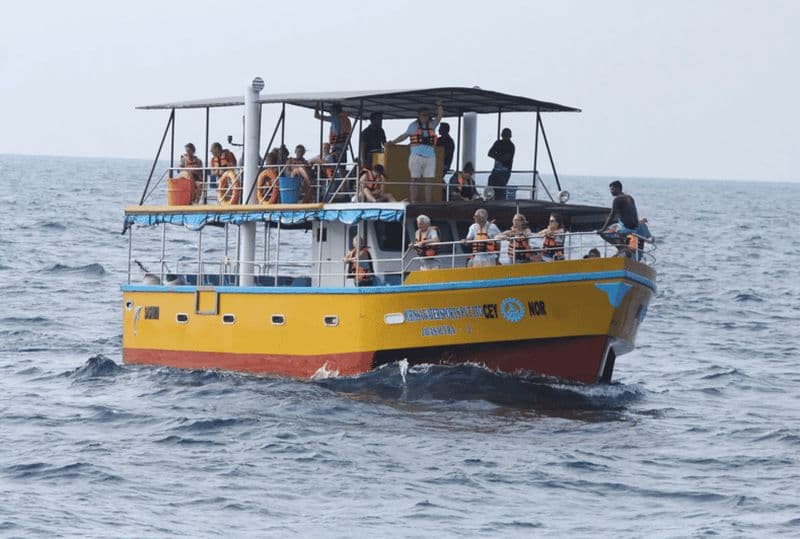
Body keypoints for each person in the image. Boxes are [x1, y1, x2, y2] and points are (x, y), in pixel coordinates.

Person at [387, 102, 444, 203]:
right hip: (416, 156)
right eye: (423, 115)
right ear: (419, 115)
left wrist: (439, 105)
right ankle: (413, 202)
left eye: (427, 115)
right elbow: (404, 136)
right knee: (414, 180)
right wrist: (393, 142)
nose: (425, 117)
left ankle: (428, 203)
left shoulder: (432, 124)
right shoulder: (413, 126)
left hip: (430, 157)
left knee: (429, 181)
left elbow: (439, 116)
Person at [598, 180, 639, 256]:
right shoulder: (629, 197)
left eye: (612, 189)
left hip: (626, 228)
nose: (611, 191)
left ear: (618, 188)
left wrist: (603, 228)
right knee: (616, 227)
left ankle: (622, 249)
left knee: (604, 233)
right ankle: (624, 248)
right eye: (610, 189)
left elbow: (611, 215)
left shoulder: (617, 199)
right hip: (635, 228)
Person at [487, 128, 515, 200]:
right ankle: (489, 200)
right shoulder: (498, 143)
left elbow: (506, 158)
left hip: (505, 172)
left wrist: (497, 156)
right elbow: (489, 153)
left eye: (506, 136)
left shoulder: (511, 146)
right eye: (504, 136)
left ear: (509, 136)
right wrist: (500, 157)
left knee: (500, 189)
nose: (505, 138)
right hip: (496, 170)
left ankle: (499, 203)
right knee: (490, 184)